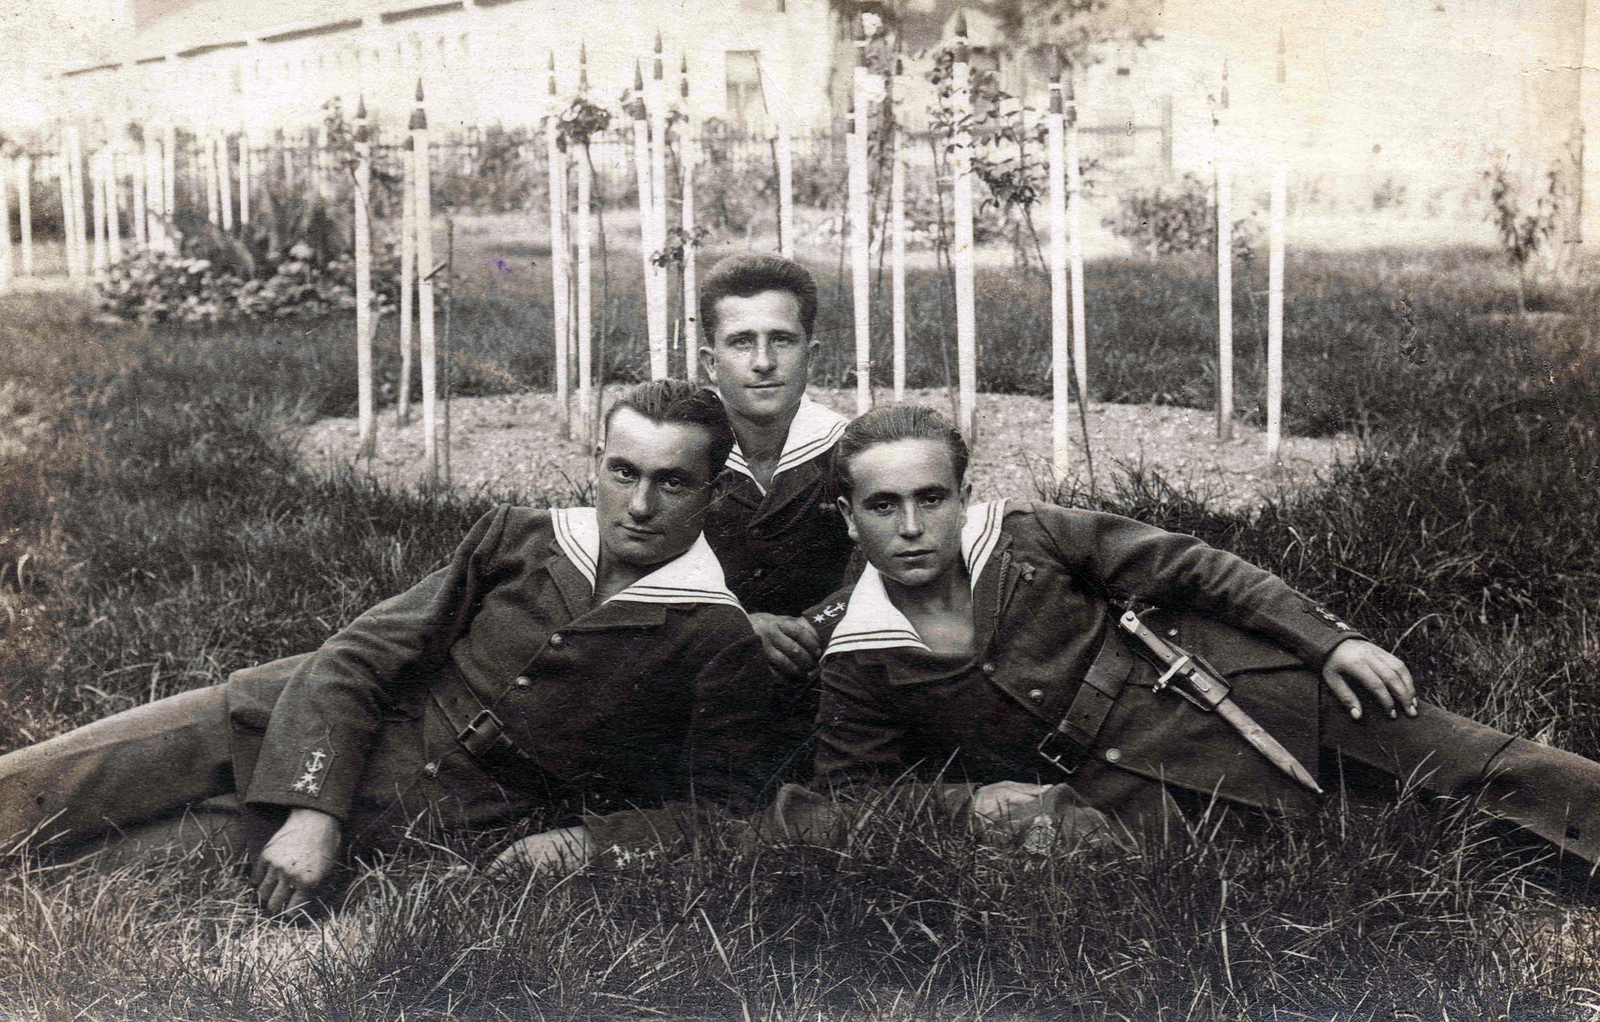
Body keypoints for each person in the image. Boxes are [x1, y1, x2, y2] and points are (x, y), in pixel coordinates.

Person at [0, 380, 780, 914]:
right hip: (293, 720)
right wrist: (311, 807)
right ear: (596, 467)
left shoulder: (712, 636)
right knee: (42, 786)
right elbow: (356, 658)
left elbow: (724, 810)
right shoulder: (521, 539)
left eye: (673, 483)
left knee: (86, 875)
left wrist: (584, 843)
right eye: (622, 471)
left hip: (410, 822)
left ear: (713, 493)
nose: (639, 504)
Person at [755, 404, 1600, 863]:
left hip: (1237, 695)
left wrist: (1329, 642)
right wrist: (963, 804)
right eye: (882, 506)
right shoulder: (860, 659)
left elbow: (1195, 570)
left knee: (1470, 763)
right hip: (1127, 802)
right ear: (847, 518)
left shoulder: (1031, 536)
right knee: (1387, 843)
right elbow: (855, 803)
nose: (912, 528)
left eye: (931, 498)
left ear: (963, 495)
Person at [696, 252, 856, 678]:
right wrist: (734, 627)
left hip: (831, 670)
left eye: (782, 340)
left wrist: (813, 626)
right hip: (703, 673)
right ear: (711, 363)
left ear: (811, 355)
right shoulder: (680, 453)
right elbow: (638, 567)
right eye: (742, 341)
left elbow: (889, 567)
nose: (763, 361)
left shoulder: (851, 450)